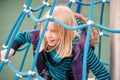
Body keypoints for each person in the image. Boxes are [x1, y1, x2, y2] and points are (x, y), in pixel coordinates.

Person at [0, 5, 110, 80]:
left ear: (66, 32)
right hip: (48, 74)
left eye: (54, 31)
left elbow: (103, 74)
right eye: (46, 29)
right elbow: (22, 35)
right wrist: (11, 49)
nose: (48, 35)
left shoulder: (80, 48)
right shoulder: (42, 37)